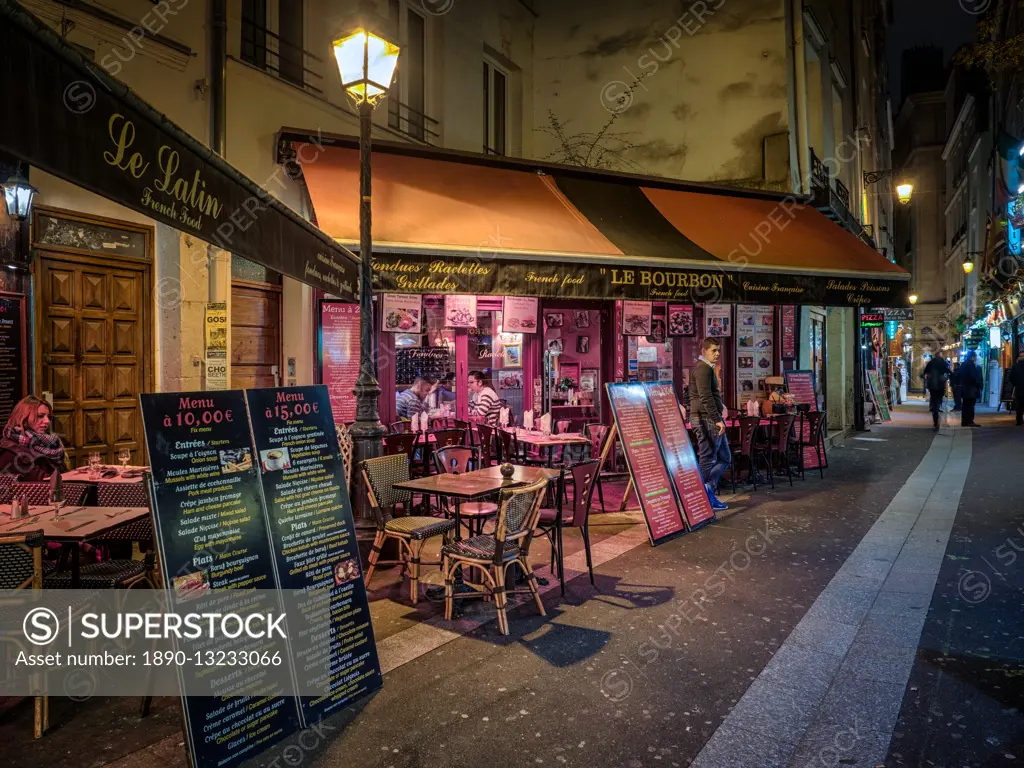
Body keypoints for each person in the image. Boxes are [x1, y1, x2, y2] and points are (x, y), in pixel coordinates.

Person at [689, 338, 730, 512]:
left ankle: (707, 490)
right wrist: (717, 418)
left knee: (725, 458)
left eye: (718, 350)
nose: (718, 353)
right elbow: (705, 396)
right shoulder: (703, 368)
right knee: (707, 459)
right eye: (714, 350)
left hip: (708, 418)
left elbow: (697, 395)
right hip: (707, 419)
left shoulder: (706, 368)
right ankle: (703, 497)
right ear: (704, 351)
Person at [0, 396, 67, 480]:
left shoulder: (50, 443)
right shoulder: (10, 450)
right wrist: (76, 476)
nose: (47, 421)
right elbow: (43, 481)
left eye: (48, 417)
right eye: (40, 416)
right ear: (23, 418)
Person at [921, 353, 951, 430]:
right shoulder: (942, 362)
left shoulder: (931, 363)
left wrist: (925, 377)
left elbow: (924, 372)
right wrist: (949, 375)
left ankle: (935, 420)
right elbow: (947, 371)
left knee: (934, 400)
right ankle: (938, 408)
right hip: (940, 386)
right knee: (939, 399)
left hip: (932, 386)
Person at [959, 350, 984, 427]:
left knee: (965, 405)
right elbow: (973, 377)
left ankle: (964, 421)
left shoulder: (963, 364)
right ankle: (970, 421)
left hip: (964, 388)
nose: (976, 358)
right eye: (975, 357)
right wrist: (978, 383)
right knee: (970, 405)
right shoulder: (971, 364)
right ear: (972, 357)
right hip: (970, 389)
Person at [1009, 350, 1024, 426]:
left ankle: (1019, 421)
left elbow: (1011, 378)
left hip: (1019, 389)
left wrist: (1015, 384)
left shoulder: (1015, 366)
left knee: (1019, 405)